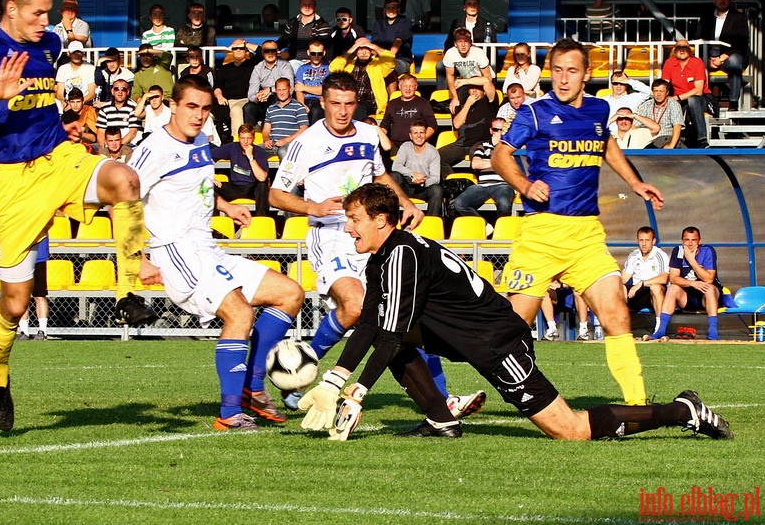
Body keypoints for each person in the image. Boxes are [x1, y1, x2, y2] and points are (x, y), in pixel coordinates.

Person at [297, 183, 732, 442]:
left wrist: (356, 392)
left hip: (497, 342)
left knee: (570, 430)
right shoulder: (384, 257)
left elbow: (389, 332)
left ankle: (682, 411)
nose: (347, 226)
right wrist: (335, 379)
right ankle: (440, 418)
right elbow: (374, 324)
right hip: (464, 337)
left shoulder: (402, 255)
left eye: (353, 217)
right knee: (393, 336)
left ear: (381, 220)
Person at [0, 0, 157, 432]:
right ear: (12, 9)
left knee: (125, 179)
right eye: (38, 13)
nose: (47, 22)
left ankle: (128, 293)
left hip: (58, 159)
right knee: (15, 304)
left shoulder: (50, 46)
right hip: (13, 180)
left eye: (49, 12)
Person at [270, 73, 475, 417]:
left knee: (409, 317)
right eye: (335, 103)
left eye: (349, 104)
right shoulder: (306, 143)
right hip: (330, 234)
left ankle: (443, 400)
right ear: (322, 103)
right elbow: (277, 194)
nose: (342, 111)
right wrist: (313, 207)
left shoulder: (367, 133)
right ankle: (302, 374)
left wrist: (405, 202)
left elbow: (380, 176)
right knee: (354, 306)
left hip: (370, 237)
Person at [491, 38, 665, 407]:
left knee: (617, 313)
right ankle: (458, 395)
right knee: (511, 329)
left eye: (571, 71)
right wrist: (524, 184)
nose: (563, 78)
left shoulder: (599, 110)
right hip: (541, 234)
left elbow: (606, 145)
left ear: (587, 74)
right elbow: (499, 155)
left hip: (586, 236)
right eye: (557, 70)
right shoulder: (535, 113)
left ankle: (638, 405)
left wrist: (635, 183)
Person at [131, 75, 305, 431]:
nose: (198, 115)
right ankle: (230, 413)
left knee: (290, 293)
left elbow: (199, 186)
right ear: (174, 106)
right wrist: (138, 258)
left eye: (205, 108)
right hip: (175, 251)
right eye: (191, 106)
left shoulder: (198, 141)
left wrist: (225, 206)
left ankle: (252, 389)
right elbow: (124, 200)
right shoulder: (153, 149)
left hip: (207, 247)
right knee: (239, 314)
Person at [651, 227, 722, 341]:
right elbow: (674, 278)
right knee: (672, 288)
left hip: (706, 297)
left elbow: (709, 278)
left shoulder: (708, 250)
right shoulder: (677, 251)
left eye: (693, 240)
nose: (690, 244)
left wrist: (692, 261)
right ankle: (661, 330)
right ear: (682, 241)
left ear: (700, 241)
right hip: (687, 296)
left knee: (709, 288)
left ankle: (713, 330)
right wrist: (693, 284)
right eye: (686, 240)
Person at [694, 0, 749, 111]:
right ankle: (701, 101)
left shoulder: (739, 17)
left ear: (730, 0)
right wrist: (706, 58)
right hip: (708, 56)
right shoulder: (706, 17)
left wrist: (723, 57)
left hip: (729, 56)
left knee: (735, 62)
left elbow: (741, 42)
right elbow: (698, 39)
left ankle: (733, 102)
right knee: (694, 62)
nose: (722, 1)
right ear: (714, 1)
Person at [450, 118, 514, 220]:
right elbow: (475, 164)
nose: (498, 132)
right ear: (490, 130)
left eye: (501, 130)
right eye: (495, 129)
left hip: (503, 185)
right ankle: (484, 226)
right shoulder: (482, 146)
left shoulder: (509, 146)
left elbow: (509, 164)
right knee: (459, 203)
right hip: (482, 185)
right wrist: (497, 163)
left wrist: (497, 147)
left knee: (504, 204)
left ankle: (501, 230)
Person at [438, 77, 498, 180]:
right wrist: (467, 105)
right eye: (471, 88)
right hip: (463, 144)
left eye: (477, 88)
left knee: (478, 159)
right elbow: (456, 124)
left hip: (481, 143)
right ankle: (452, 184)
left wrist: (465, 81)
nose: (474, 90)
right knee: (436, 157)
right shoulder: (462, 105)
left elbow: (486, 81)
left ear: (483, 91)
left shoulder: (489, 102)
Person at [328, 37, 396, 120]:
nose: (363, 52)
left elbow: (391, 61)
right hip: (349, 101)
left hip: (369, 102)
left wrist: (374, 46)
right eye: (360, 49)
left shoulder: (378, 65)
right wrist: (351, 49)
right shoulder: (348, 66)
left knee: (359, 108)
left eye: (366, 49)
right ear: (356, 51)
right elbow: (333, 68)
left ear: (371, 50)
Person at [211, 123, 271, 216]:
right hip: (236, 187)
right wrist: (210, 178)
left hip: (253, 187)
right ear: (239, 138)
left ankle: (260, 221)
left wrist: (250, 156)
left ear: (254, 138)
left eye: (249, 138)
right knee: (210, 186)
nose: (246, 141)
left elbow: (262, 178)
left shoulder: (259, 152)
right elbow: (206, 156)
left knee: (262, 186)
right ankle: (216, 223)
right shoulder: (233, 147)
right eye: (243, 138)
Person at [661, 41, 711, 148]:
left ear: (690, 50)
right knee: (662, 100)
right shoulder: (669, 63)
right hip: (679, 100)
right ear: (674, 51)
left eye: (685, 48)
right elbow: (663, 85)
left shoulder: (697, 62)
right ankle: (664, 138)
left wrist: (677, 97)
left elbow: (698, 90)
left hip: (700, 99)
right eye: (679, 48)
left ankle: (702, 139)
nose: (682, 50)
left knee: (693, 100)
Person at [621, 226, 669, 334]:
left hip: (652, 293)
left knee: (655, 287)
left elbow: (664, 278)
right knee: (620, 288)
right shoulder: (633, 255)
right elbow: (624, 278)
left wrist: (642, 283)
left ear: (653, 241)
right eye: (641, 240)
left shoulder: (660, 255)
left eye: (647, 240)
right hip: (636, 293)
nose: (644, 244)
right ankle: (622, 328)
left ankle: (659, 328)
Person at [390, 122, 443, 217]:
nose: (419, 136)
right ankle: (392, 218)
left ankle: (431, 223)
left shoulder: (433, 151)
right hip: (406, 186)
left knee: (437, 190)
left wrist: (422, 182)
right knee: (394, 176)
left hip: (423, 188)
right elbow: (396, 166)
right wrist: (412, 174)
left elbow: (436, 177)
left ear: (425, 134)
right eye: (415, 133)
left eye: (421, 133)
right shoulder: (405, 146)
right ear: (410, 136)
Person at [380, 72, 438, 151]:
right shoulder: (392, 103)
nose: (408, 89)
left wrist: (420, 139)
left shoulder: (423, 103)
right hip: (396, 146)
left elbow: (433, 125)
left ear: (416, 87)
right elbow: (385, 125)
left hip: (416, 146)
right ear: (399, 87)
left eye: (411, 86)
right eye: (405, 86)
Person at [212, 39, 258, 139]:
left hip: (244, 99)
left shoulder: (252, 65)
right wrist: (219, 96)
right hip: (226, 100)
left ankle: (237, 141)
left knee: (236, 110)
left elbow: (261, 52)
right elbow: (217, 85)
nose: (238, 50)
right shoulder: (224, 69)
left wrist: (246, 43)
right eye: (235, 48)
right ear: (231, 50)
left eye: (241, 48)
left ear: (245, 50)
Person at [442, 28, 493, 116]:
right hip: (465, 82)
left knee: (481, 102)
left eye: (466, 41)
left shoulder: (478, 53)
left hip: (481, 81)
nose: (463, 45)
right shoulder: (450, 53)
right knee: (456, 105)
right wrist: (455, 98)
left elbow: (488, 78)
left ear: (470, 43)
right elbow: (449, 76)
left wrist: (464, 81)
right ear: (455, 43)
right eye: (460, 41)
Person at [244, 40, 294, 125]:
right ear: (262, 53)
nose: (270, 53)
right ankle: (250, 135)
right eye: (267, 51)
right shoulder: (258, 68)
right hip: (262, 101)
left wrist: (270, 90)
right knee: (248, 107)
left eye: (273, 50)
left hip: (279, 100)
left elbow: (290, 88)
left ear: (277, 51)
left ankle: (267, 130)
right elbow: (251, 93)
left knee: (274, 99)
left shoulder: (285, 65)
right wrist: (258, 97)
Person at [278, 0, 331, 68]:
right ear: (300, 6)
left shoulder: (322, 25)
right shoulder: (292, 23)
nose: (307, 7)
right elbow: (284, 40)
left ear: (315, 6)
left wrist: (313, 60)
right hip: (294, 61)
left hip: (315, 62)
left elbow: (327, 47)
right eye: (304, 4)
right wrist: (273, 48)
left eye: (310, 4)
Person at [262, 77, 308, 160]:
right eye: (279, 90)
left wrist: (285, 140)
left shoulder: (298, 107)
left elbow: (304, 129)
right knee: (252, 150)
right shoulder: (271, 108)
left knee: (283, 151)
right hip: (273, 144)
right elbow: (266, 130)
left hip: (290, 143)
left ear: (289, 89)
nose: (281, 92)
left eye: (284, 89)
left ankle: (286, 173)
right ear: (275, 90)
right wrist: (266, 140)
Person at [632, 79, 684, 149]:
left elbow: (677, 126)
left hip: (666, 138)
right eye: (656, 91)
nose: (658, 94)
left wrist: (671, 145)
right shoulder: (647, 105)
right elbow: (634, 126)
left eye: (661, 91)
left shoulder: (673, 104)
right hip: (648, 140)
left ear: (667, 92)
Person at [16, 236, 50, 341]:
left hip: (38, 259)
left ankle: (42, 331)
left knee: (39, 295)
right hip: (21, 258)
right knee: (22, 297)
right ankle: (24, 331)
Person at [371, 0, 414, 74]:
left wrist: (388, 57)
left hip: (400, 60)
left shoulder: (405, 22)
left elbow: (398, 41)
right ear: (384, 10)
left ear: (398, 9)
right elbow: (375, 45)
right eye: (388, 8)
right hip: (381, 59)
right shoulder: (378, 24)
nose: (391, 11)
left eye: (394, 8)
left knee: (389, 68)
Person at [97, 78, 141, 145]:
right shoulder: (104, 108)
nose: (120, 92)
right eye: (116, 89)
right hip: (108, 144)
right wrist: (102, 148)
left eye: (123, 89)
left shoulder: (133, 107)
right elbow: (101, 132)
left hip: (127, 144)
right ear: (112, 91)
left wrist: (117, 146)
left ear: (128, 92)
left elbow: (133, 132)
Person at [294, 40, 329, 124]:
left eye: (319, 53)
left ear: (324, 53)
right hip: (304, 99)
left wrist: (304, 87)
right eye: (313, 53)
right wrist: (302, 104)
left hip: (320, 101)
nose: (316, 56)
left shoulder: (328, 68)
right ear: (308, 52)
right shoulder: (302, 69)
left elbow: (324, 90)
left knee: (315, 111)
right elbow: (298, 90)